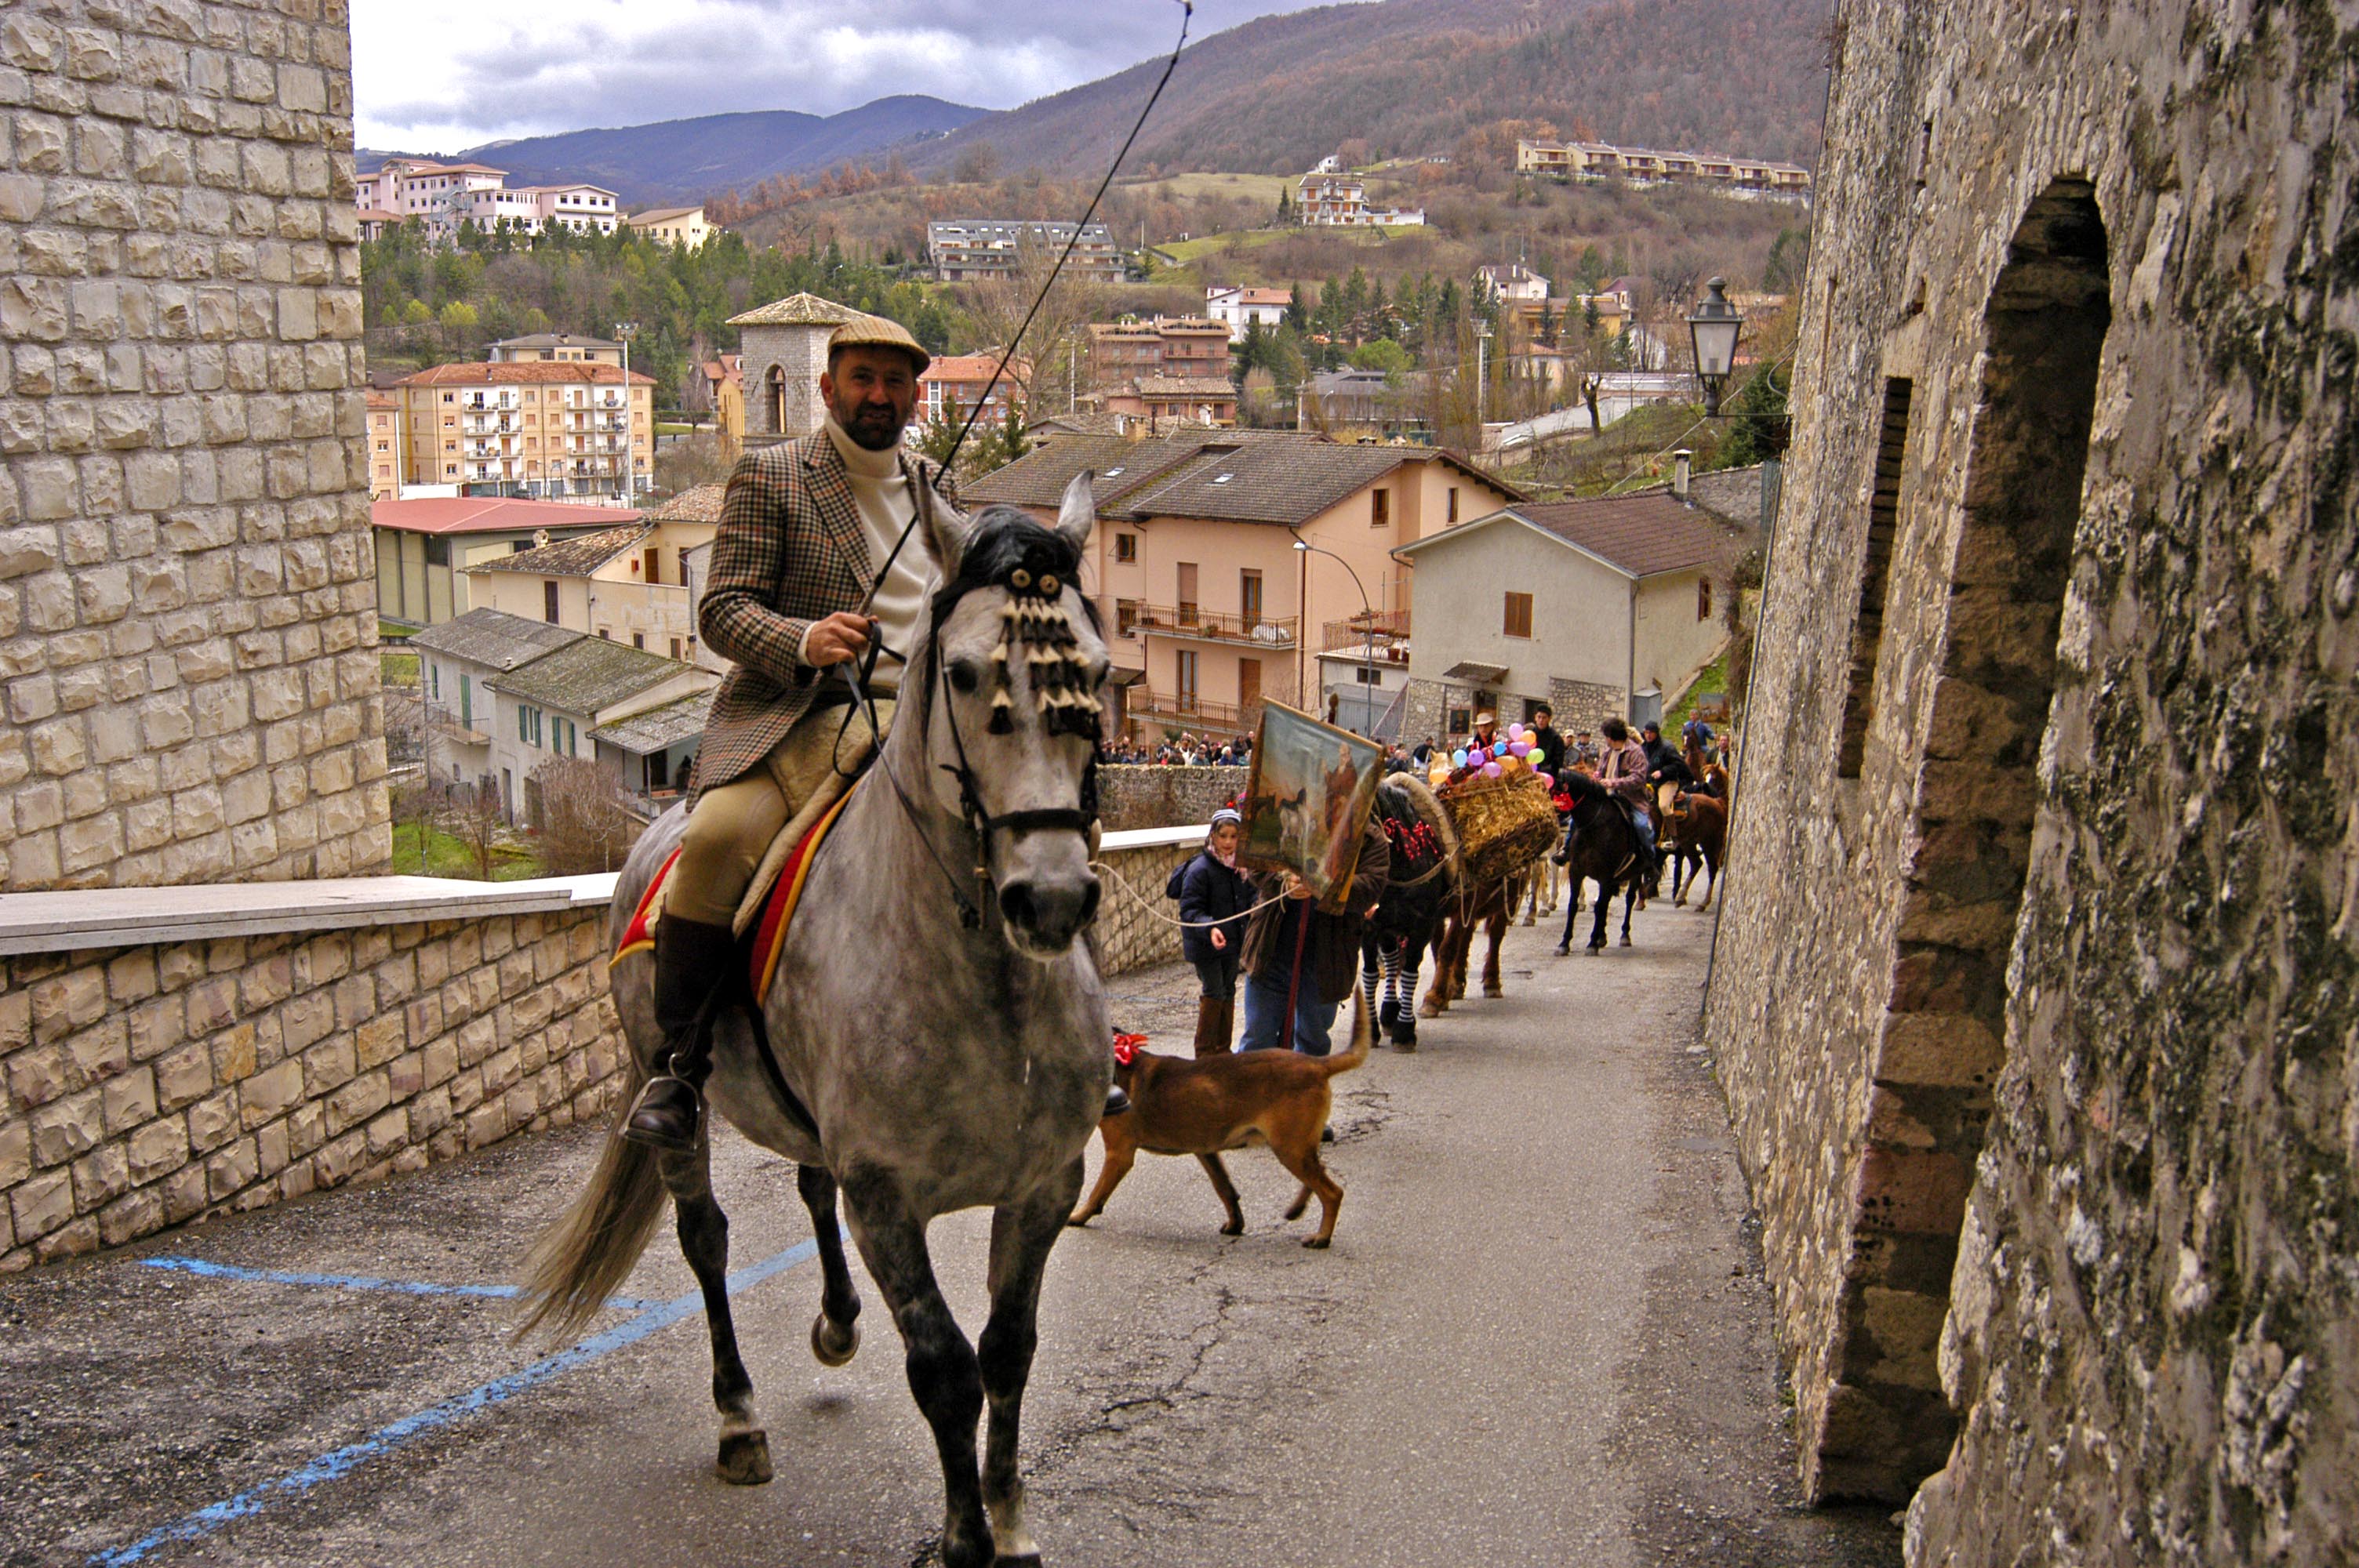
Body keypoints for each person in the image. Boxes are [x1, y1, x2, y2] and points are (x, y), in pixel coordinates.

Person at [1238, 813, 1390, 1056]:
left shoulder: (1368, 837)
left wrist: (1324, 885)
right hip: (1271, 949)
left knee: (1313, 1041)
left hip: (1327, 958)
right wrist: (1283, 882)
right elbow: (1256, 863)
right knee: (1257, 1040)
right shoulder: (1279, 816)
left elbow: (1371, 886)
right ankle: (1253, 1094)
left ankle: (1303, 1094)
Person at [1170, 808, 1256, 1056]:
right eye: (1224, 836)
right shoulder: (1201, 869)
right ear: (1213, 837)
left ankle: (1222, 1050)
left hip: (1231, 941)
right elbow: (1189, 910)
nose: (1228, 843)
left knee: (1228, 989)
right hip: (1206, 944)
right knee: (1214, 990)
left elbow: (1251, 897)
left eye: (1234, 837)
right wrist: (1210, 928)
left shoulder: (1241, 869)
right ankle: (1206, 1053)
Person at [1595, 716, 1659, 876]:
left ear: (1611, 737)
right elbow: (1601, 770)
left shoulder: (1636, 752)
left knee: (1642, 826)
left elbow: (1638, 779)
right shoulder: (1608, 751)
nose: (1606, 740)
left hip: (1631, 799)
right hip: (1605, 796)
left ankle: (1649, 859)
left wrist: (1613, 783)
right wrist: (1597, 776)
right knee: (1579, 818)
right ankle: (1568, 850)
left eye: (1606, 737)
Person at [1527, 704, 1566, 777]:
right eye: (1539, 717)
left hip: (1547, 776)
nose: (1541, 720)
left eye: (1544, 718)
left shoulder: (1556, 739)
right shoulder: (1528, 734)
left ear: (1549, 719)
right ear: (1535, 718)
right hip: (1527, 773)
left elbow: (1557, 763)